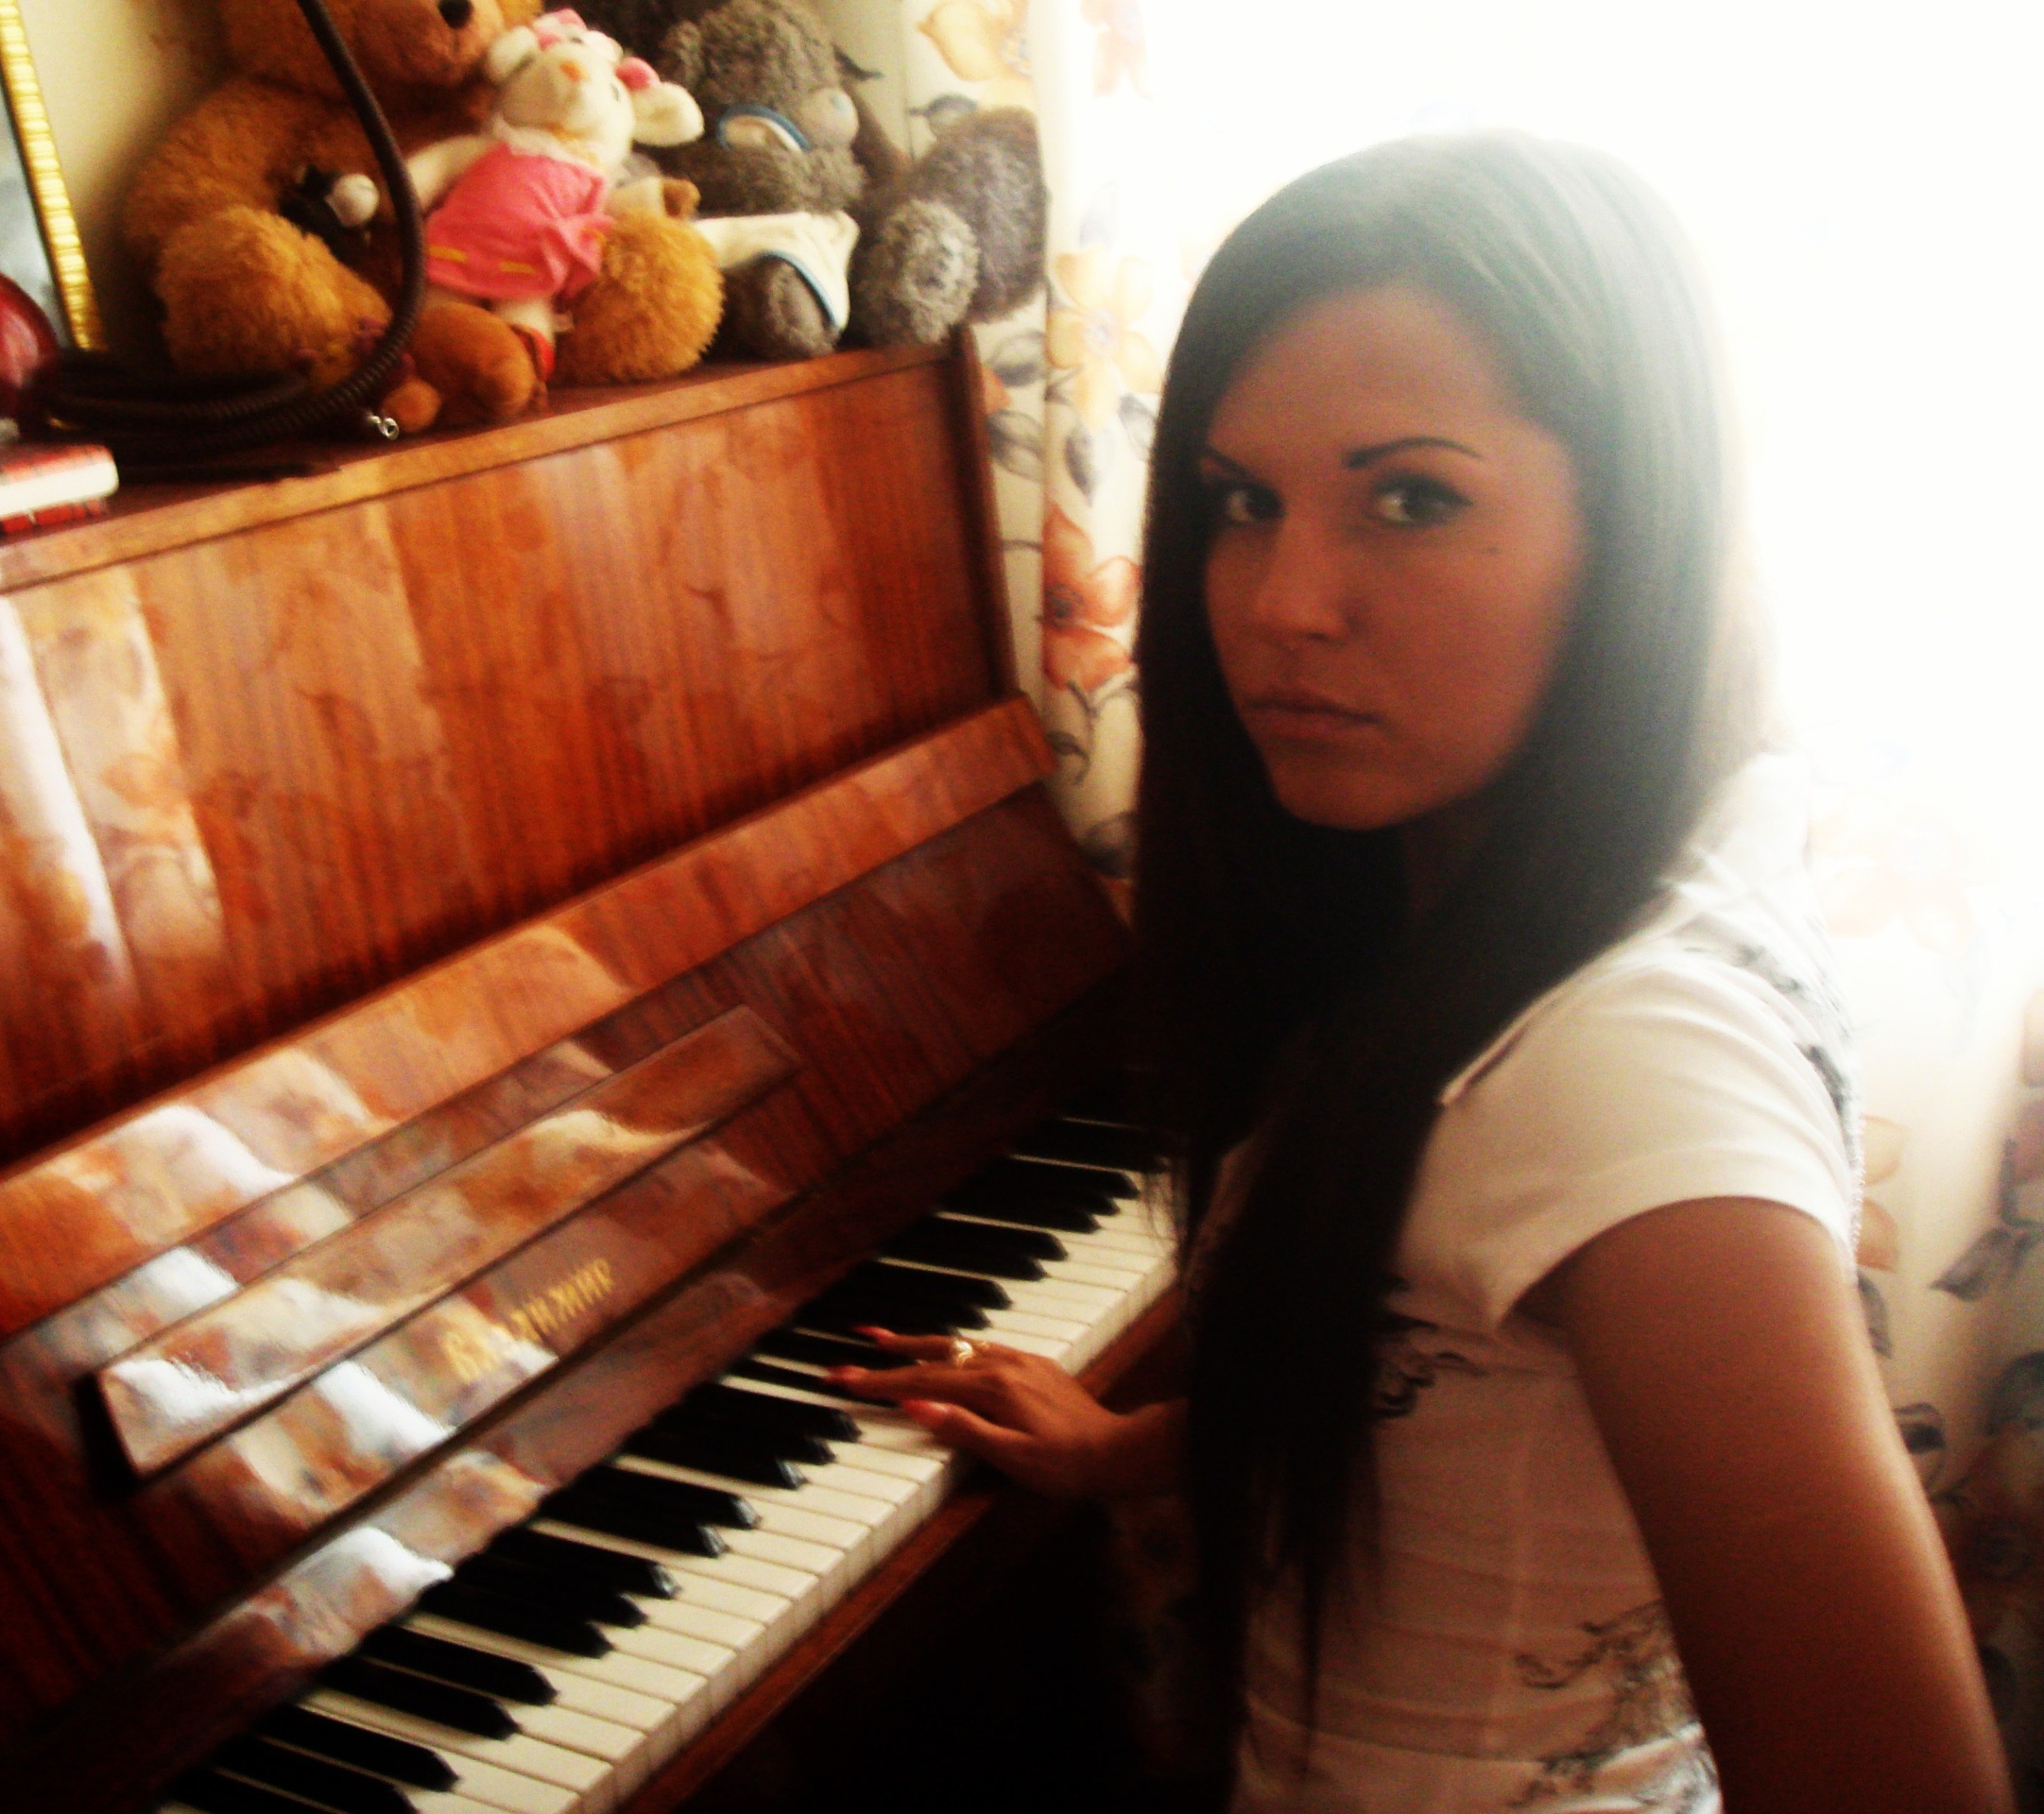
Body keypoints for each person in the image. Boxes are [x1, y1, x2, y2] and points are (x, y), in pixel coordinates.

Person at [826, 134, 2011, 1814]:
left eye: (1414, 500)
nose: (1281, 605)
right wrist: (1122, 1450)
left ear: (1636, 531)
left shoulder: (1627, 1064)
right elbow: (1418, 1367)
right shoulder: (1581, 854)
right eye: (1242, 502)